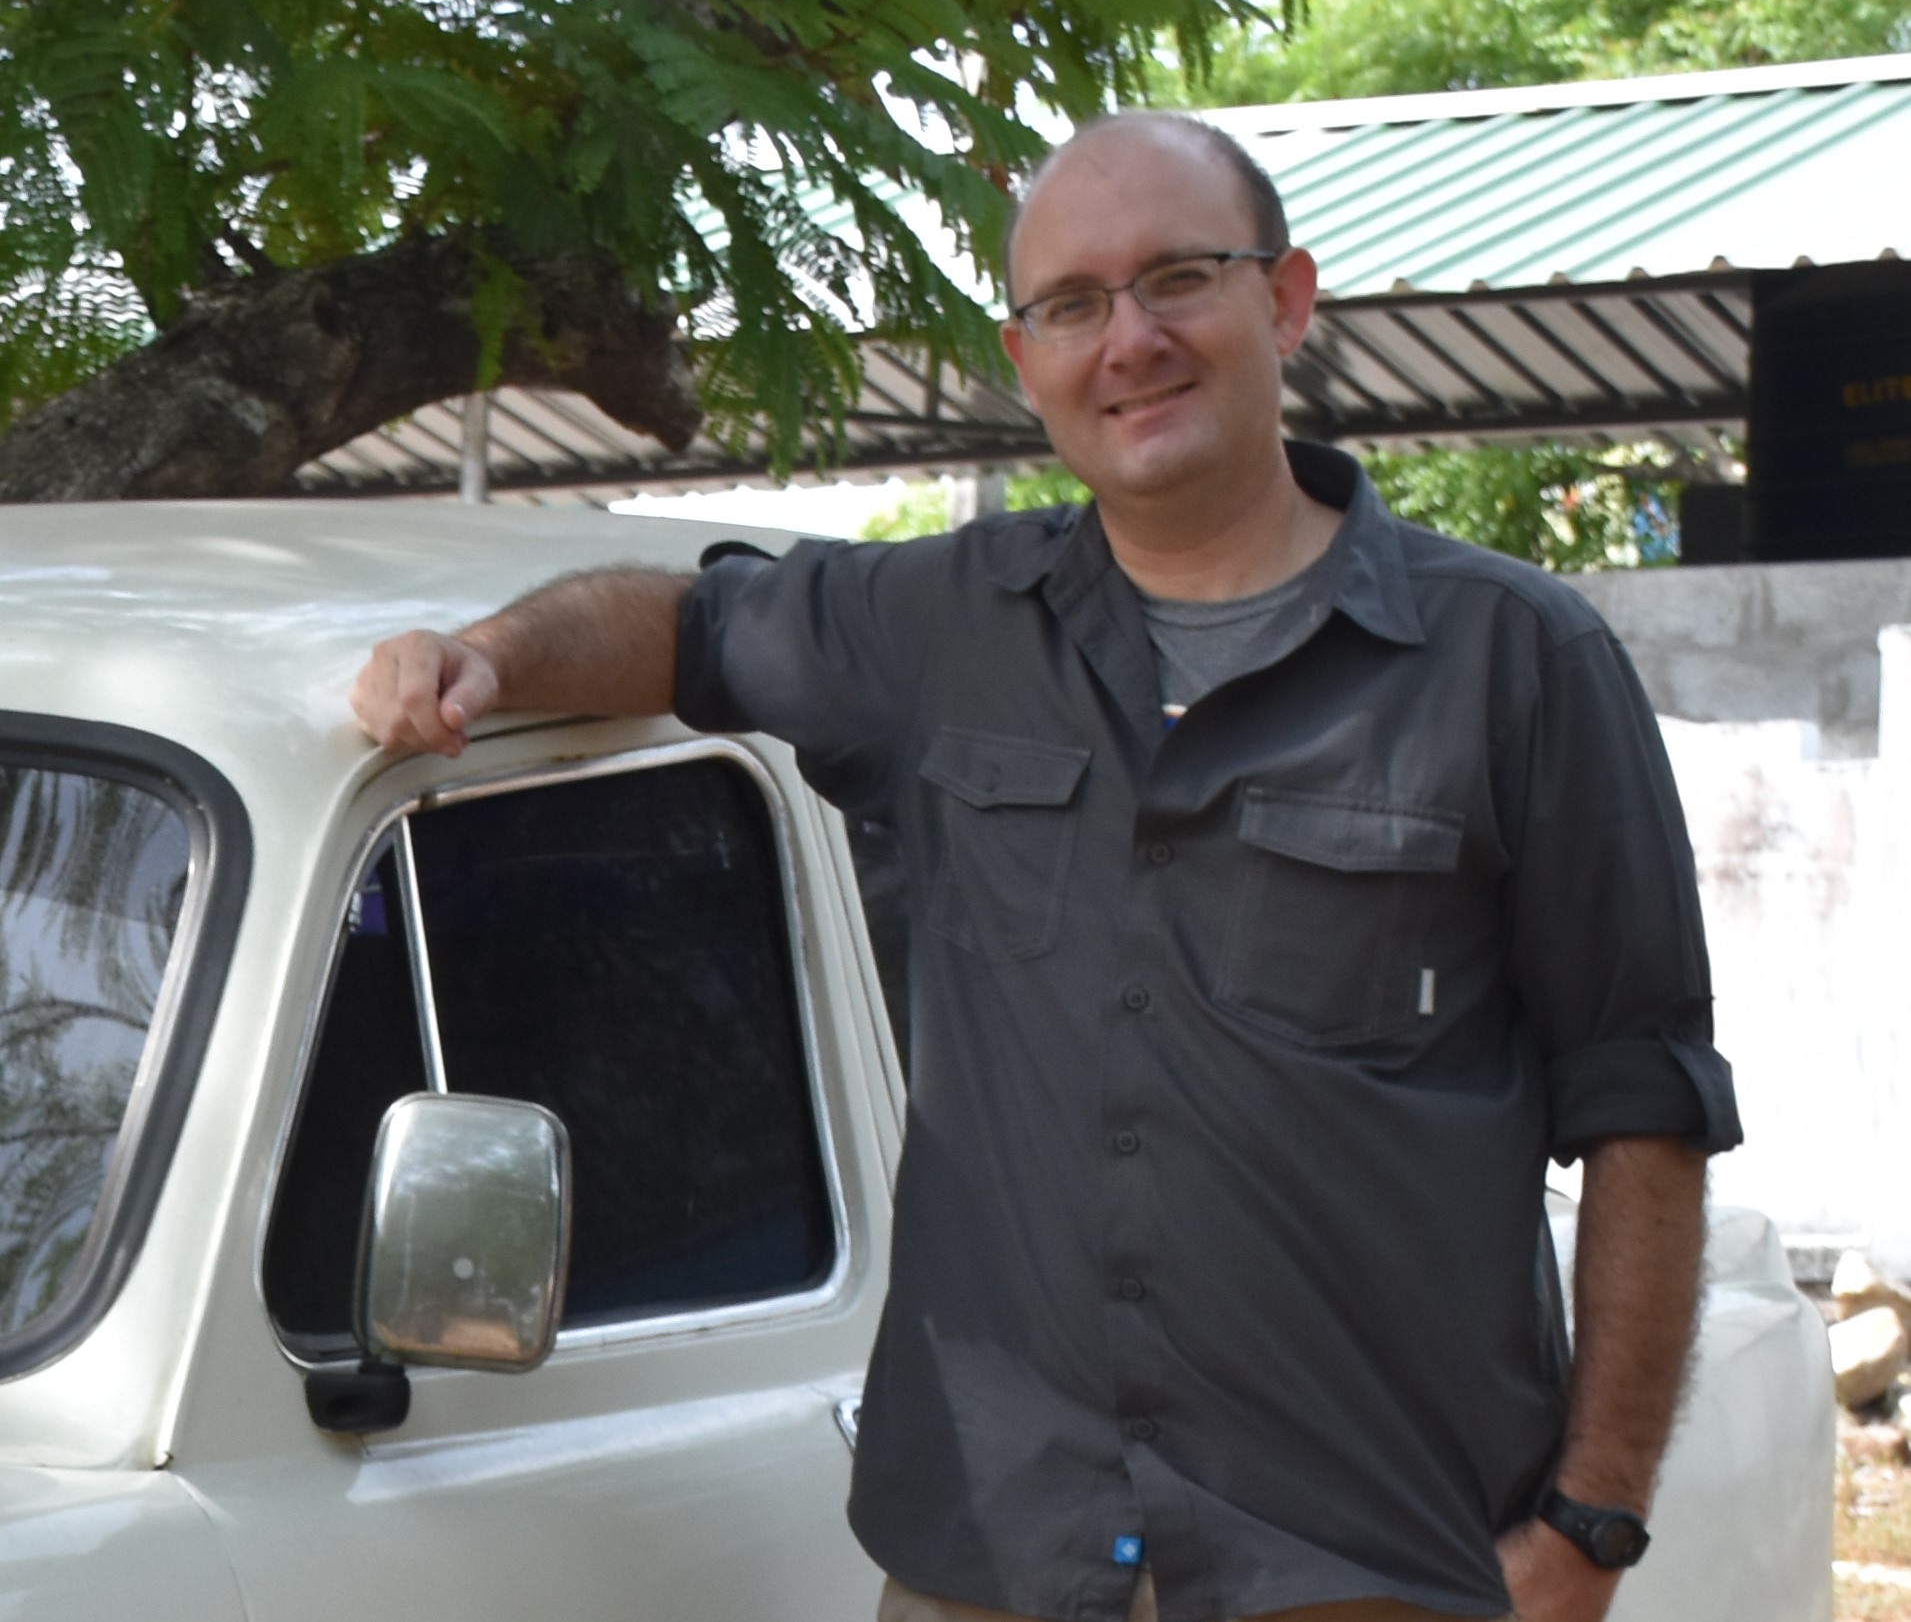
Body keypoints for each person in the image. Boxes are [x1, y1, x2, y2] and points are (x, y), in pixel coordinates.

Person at [352, 112, 1739, 1622]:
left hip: (1370, 1565)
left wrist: (1591, 1521)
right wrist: (486, 653)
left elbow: (1644, 1103)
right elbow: (681, 628)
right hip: (994, 1563)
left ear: (1286, 299)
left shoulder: (1519, 661)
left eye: (1178, 279)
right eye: (1073, 304)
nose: (1126, 339)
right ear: (1027, 362)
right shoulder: (938, 627)